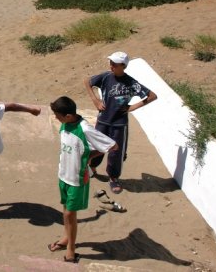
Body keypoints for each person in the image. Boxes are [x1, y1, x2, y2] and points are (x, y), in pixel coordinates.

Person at [49, 96, 117, 263]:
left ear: (68, 116)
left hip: (77, 179)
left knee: (71, 213)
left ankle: (71, 248)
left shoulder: (85, 129)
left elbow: (111, 145)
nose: (56, 118)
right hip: (63, 175)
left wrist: (88, 157)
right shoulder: (65, 124)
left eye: (58, 115)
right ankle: (66, 238)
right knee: (66, 211)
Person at [83, 51, 157, 194]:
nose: (111, 65)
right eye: (110, 62)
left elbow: (152, 96)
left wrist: (132, 107)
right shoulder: (105, 77)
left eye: (114, 64)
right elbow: (87, 81)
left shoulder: (131, 83)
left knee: (116, 152)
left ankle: (113, 178)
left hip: (119, 124)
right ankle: (92, 169)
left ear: (123, 66)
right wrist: (95, 100)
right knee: (96, 147)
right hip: (103, 120)